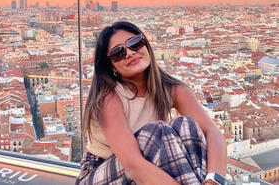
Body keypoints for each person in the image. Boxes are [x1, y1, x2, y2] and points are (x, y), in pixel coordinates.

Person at [76, 21, 227, 185]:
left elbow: (212, 131)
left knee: (185, 124)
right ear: (112, 66)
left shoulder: (171, 89)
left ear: (145, 45)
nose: (129, 53)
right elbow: (133, 164)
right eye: (118, 53)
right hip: (97, 174)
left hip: (145, 172)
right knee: (156, 131)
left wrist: (213, 180)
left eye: (134, 43)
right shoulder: (109, 97)